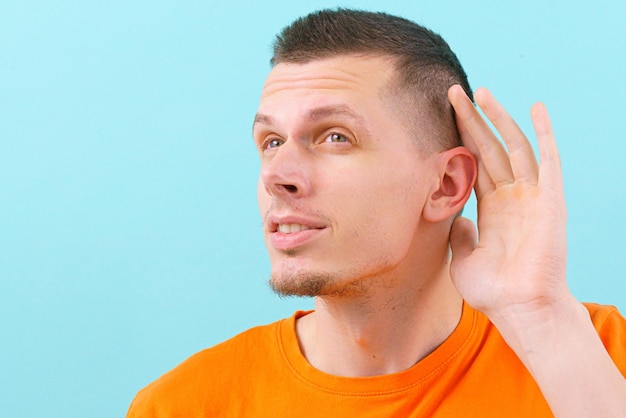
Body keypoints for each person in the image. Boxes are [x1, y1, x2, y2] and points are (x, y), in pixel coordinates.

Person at [127, 9, 626, 417]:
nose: (277, 174)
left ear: (447, 185)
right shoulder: (182, 406)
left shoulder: (598, 354)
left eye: (335, 137)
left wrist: (539, 319)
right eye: (271, 141)